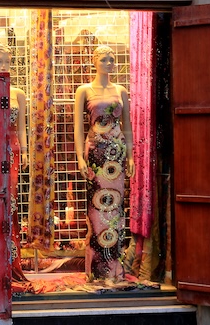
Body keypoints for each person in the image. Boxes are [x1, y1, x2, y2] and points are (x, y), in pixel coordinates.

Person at [73, 44, 134, 282]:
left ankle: (114, 268)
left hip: (116, 157)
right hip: (96, 155)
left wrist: (130, 155)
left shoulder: (121, 90)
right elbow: (79, 127)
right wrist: (79, 156)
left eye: (112, 59)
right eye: (105, 59)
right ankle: (98, 270)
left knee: (115, 210)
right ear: (95, 61)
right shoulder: (84, 90)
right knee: (97, 212)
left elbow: (126, 127)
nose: (109, 63)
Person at [0, 44, 29, 282]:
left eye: (6, 61)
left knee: (10, 202)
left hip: (11, 149)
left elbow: (22, 127)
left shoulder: (18, 93)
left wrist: (23, 151)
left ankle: (12, 261)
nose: (3, 65)